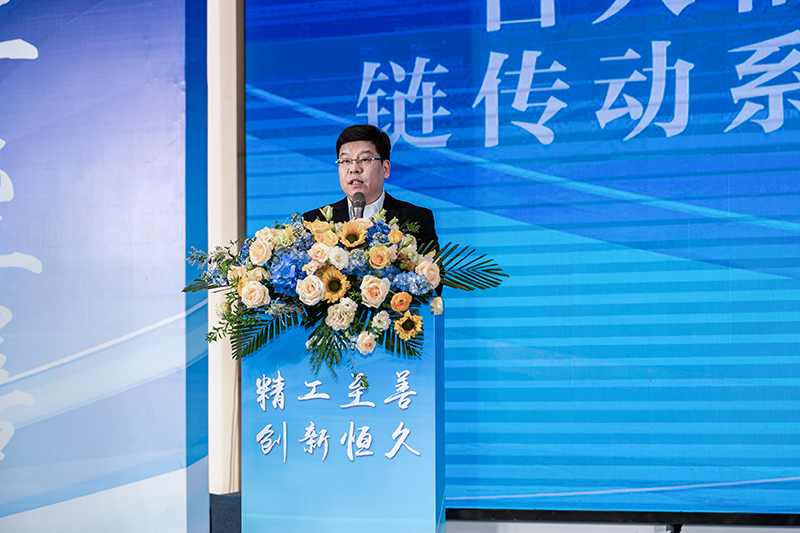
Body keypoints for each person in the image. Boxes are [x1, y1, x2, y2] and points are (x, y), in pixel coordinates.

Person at [303, 124, 439, 254]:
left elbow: (432, 269)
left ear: (385, 168)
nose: (354, 169)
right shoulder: (314, 222)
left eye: (364, 159)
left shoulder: (416, 218)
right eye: (345, 161)